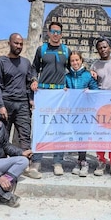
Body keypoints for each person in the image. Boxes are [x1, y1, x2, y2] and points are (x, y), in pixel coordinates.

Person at [29, 21, 71, 178]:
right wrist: (34, 79)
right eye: (53, 31)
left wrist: (90, 74)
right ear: (48, 33)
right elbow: (34, 67)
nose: (55, 34)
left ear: (61, 34)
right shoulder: (42, 49)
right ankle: (36, 161)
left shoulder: (66, 50)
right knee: (41, 127)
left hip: (60, 94)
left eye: (58, 32)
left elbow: (72, 69)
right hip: (44, 93)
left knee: (58, 129)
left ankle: (58, 161)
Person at [90, 37, 111, 177]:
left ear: (110, 48)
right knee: (100, 134)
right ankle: (101, 161)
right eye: (100, 48)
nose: (103, 50)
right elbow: (91, 84)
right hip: (100, 103)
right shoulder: (95, 65)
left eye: (105, 47)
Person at [0, 33, 33, 151]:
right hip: (6, 104)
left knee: (25, 136)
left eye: (21, 44)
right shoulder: (0, 62)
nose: (18, 46)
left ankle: (25, 165)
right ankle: (2, 164)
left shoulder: (26, 63)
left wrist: (31, 99)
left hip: (23, 105)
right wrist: (0, 105)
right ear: (9, 43)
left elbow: (29, 83)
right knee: (2, 136)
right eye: (16, 43)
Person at [65, 51, 98, 177]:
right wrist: (65, 91)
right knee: (77, 135)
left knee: (83, 135)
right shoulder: (67, 77)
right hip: (73, 111)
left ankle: (84, 162)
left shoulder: (88, 75)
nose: (75, 63)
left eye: (77, 60)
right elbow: (63, 92)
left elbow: (96, 91)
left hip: (86, 111)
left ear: (81, 60)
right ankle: (79, 160)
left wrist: (89, 91)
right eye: (72, 61)